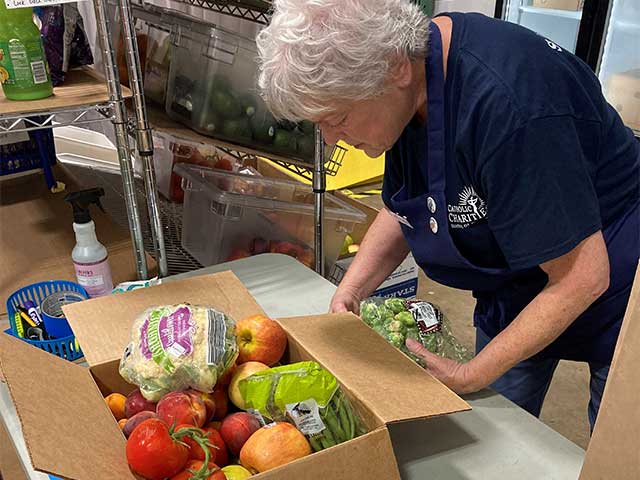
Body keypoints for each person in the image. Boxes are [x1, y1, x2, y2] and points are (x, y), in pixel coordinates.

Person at [256, 0, 640, 430]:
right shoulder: (412, 82)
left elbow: (583, 277)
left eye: (338, 118)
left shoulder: (510, 107)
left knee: (617, 448)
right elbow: (409, 202)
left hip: (616, 279)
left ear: (395, 68)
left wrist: (470, 372)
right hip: (516, 281)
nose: (330, 141)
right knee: (497, 433)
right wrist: (351, 291)